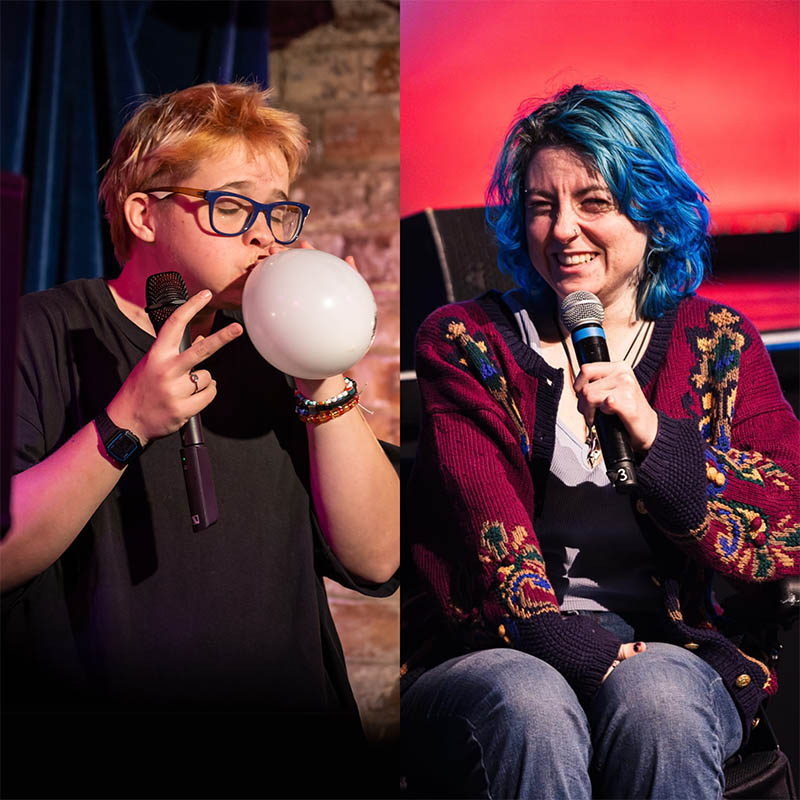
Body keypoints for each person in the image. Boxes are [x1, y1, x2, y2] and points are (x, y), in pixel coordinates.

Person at [2, 82, 399, 799]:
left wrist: (323, 375)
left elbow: (376, 558)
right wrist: (124, 426)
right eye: (234, 206)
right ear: (143, 214)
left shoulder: (278, 344)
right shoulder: (39, 332)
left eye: (279, 212)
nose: (264, 234)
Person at [401, 85, 799, 799]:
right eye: (541, 205)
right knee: (531, 704)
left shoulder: (720, 342)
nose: (562, 232)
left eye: (595, 202)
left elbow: (788, 519)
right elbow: (487, 530)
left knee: (660, 697)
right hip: (498, 648)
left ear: (653, 212)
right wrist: (572, 642)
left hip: (673, 649)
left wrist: (657, 438)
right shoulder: (469, 343)